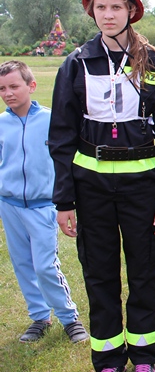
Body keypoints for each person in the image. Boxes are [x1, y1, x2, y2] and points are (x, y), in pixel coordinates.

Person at [49, 0, 155, 372]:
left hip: (143, 188)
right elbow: (61, 137)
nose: (108, 15)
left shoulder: (154, 63)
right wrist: (64, 200)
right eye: (100, 8)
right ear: (92, 13)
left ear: (131, 11)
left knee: (143, 272)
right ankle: (108, 360)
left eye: (115, 7)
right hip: (91, 188)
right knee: (100, 274)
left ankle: (144, 357)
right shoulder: (76, 63)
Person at [0, 61, 88, 345]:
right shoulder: (1, 124)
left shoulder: (51, 121)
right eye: (2, 88)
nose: (8, 93)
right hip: (10, 204)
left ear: (31, 86)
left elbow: (67, 160)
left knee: (44, 266)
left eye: (14, 86)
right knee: (23, 264)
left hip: (43, 206)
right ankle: (39, 316)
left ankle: (69, 318)